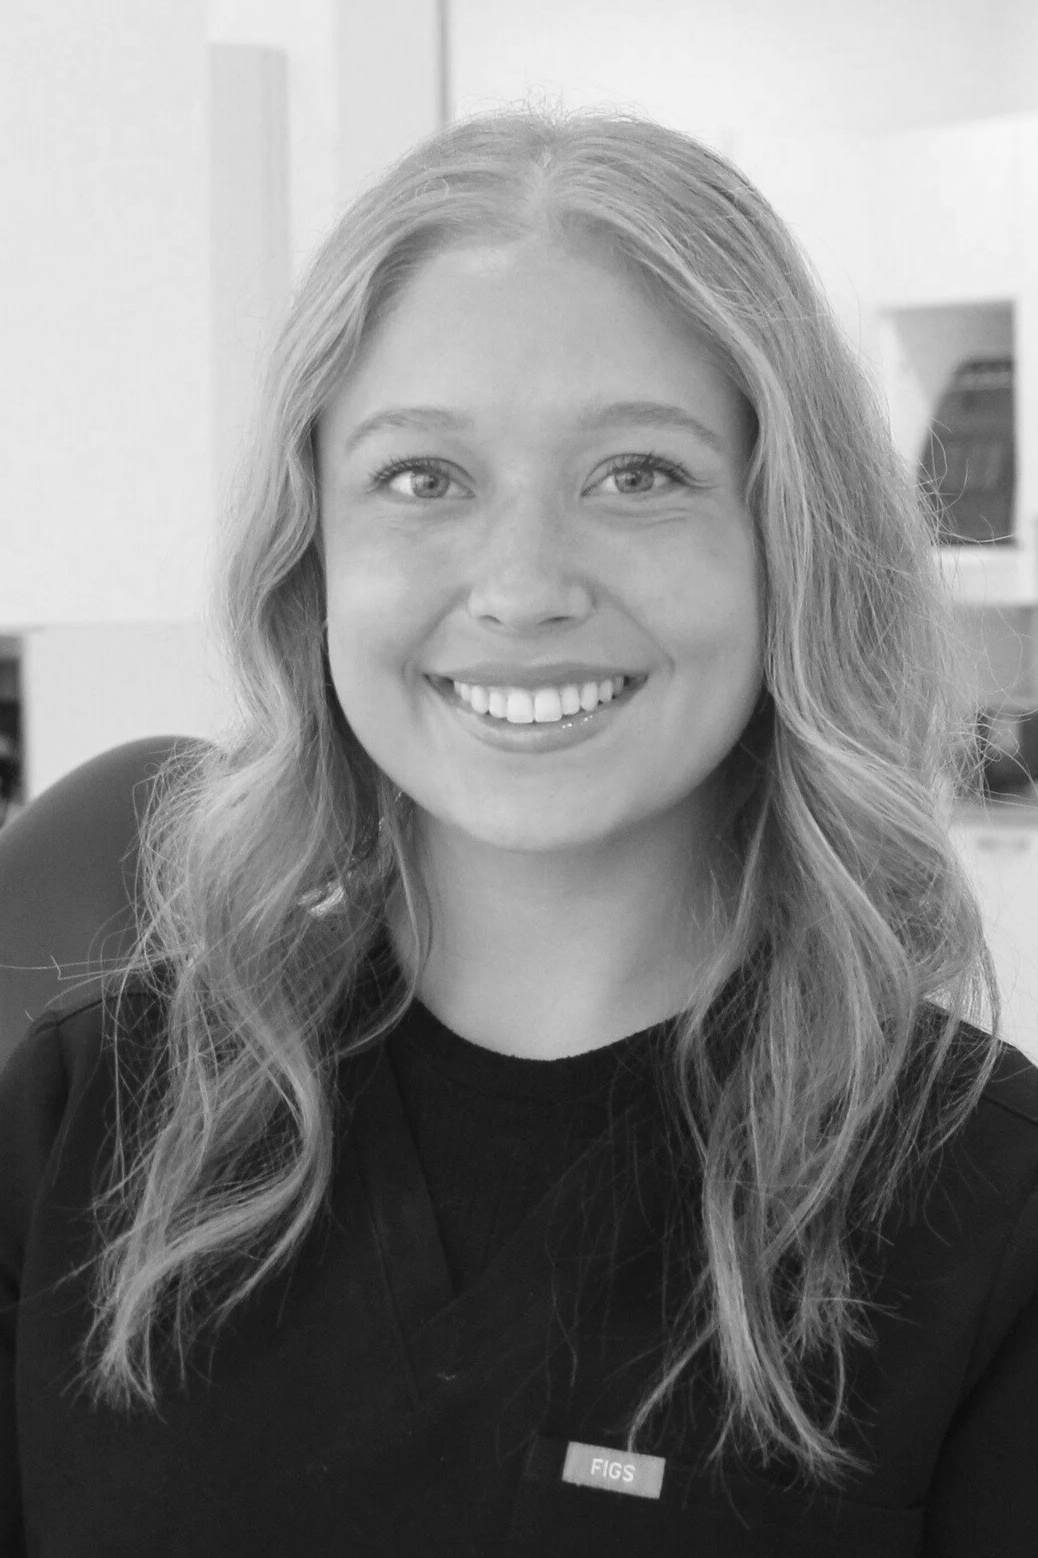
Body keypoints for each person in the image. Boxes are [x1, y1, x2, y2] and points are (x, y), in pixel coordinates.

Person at [1, 101, 1036, 1557]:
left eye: (638, 475)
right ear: (312, 556)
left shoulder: (981, 1205)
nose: (524, 582)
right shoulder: (83, 1127)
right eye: (422, 478)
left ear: (785, 544)